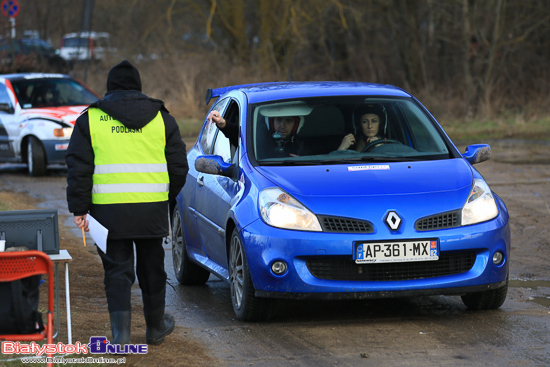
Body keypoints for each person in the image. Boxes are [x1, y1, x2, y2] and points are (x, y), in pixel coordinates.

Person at [65, 60, 189, 346]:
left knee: (117, 272)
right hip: (151, 210)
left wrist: (79, 209)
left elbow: (78, 167)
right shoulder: (162, 118)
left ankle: (120, 336)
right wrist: (164, 198)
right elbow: (179, 167)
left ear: (109, 88)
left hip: (107, 214)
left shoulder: (90, 119)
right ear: (138, 87)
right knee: (152, 269)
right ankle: (155, 327)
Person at [209, 110, 308, 157]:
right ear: (271, 123)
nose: (283, 125)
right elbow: (240, 136)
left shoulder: (304, 147)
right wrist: (223, 123)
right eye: (278, 119)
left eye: (288, 121)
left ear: (297, 125)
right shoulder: (258, 140)